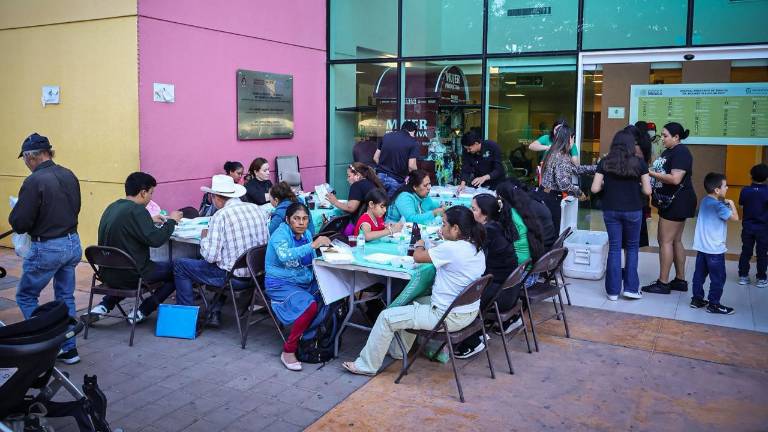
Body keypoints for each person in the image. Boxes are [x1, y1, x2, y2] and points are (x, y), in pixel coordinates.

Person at [342, 206, 486, 376]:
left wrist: (420, 243)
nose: (442, 227)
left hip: (446, 316)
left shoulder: (451, 249)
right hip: (468, 312)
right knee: (409, 303)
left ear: (456, 229)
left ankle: (366, 366)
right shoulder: (475, 246)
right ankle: (397, 350)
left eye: (444, 224)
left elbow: (418, 257)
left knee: (386, 316)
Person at [9, 133, 82, 364]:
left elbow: (20, 222)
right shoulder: (68, 174)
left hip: (49, 245)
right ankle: (69, 348)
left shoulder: (34, 181)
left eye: (25, 159)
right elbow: (75, 207)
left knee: (26, 295)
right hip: (72, 241)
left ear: (31, 157)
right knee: (65, 296)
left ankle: (45, 344)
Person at [86, 172, 184, 324]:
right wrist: (172, 221)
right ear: (143, 193)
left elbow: (126, 225)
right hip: (133, 275)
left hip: (107, 274)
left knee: (125, 271)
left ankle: (103, 306)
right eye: (151, 193)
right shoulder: (138, 211)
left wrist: (149, 220)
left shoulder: (113, 207)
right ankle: (143, 310)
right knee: (179, 270)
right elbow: (156, 240)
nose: (151, 197)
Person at [173, 174, 270, 327]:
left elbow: (210, 257)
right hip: (258, 274)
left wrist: (204, 239)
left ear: (216, 197)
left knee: (180, 265)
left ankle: (186, 320)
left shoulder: (221, 216)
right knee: (225, 260)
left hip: (234, 277)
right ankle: (214, 312)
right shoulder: (256, 209)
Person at [451, 193, 520, 358]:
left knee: (457, 294)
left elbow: (465, 252)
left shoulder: (489, 231)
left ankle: (472, 342)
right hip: (509, 290)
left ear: (485, 214)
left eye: (474, 209)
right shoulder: (498, 225)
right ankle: (479, 332)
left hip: (499, 294)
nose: (470, 212)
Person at [266, 203, 332, 371]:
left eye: (304, 219)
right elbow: (285, 256)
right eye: (296, 218)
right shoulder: (280, 234)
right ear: (288, 219)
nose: (301, 223)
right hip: (279, 283)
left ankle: (309, 338)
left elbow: (310, 259)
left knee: (331, 293)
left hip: (302, 279)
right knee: (309, 305)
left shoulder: (306, 234)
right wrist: (312, 245)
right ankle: (289, 350)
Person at [591, 131, 652, 301]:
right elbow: (648, 191)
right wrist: (636, 186)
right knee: (632, 248)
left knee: (615, 248)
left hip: (610, 210)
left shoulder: (605, 162)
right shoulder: (639, 163)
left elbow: (594, 188)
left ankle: (612, 291)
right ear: (631, 145)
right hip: (633, 210)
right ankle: (631, 289)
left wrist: (607, 184)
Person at [642, 122, 697, 295]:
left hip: (677, 202)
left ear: (676, 137)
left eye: (665, 136)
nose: (662, 139)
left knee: (664, 240)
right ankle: (680, 280)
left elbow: (675, 179)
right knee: (675, 240)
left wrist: (648, 173)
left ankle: (663, 283)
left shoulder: (681, 152)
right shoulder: (669, 151)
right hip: (672, 201)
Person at [690, 173, 739, 314]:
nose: (727, 188)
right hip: (715, 250)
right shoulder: (719, 206)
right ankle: (714, 304)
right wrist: (732, 204)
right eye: (725, 186)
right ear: (717, 190)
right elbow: (735, 218)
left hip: (702, 248)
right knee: (718, 278)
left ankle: (697, 299)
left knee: (699, 275)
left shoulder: (705, 201)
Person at [539, 125, 597, 233]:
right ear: (568, 139)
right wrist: (579, 193)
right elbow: (564, 184)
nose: (573, 142)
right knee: (554, 232)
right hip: (551, 198)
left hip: (546, 195)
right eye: (573, 138)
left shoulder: (555, 152)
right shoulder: (561, 157)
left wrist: (597, 168)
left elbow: (575, 169)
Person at [738, 164, 768, 287]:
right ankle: (761, 278)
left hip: (748, 227)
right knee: (762, 253)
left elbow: (741, 206)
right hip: (763, 229)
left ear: (751, 176)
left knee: (746, 251)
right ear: (766, 178)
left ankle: (743, 276)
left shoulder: (745, 190)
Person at [374, 121, 419, 197]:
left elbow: (375, 158)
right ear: (414, 131)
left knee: (379, 202)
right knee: (391, 203)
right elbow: (411, 166)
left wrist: (384, 168)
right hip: (396, 180)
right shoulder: (413, 142)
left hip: (379, 177)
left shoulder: (386, 136)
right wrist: (417, 177)